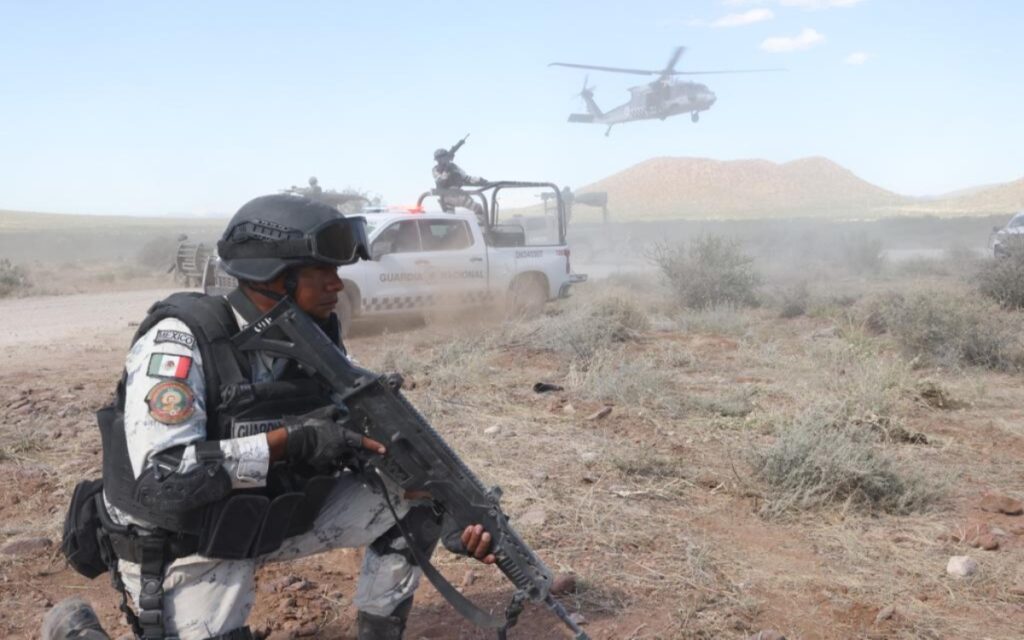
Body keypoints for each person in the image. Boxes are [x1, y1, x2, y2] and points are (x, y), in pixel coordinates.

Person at [44, 194, 495, 640]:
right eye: (322, 271)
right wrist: (291, 441)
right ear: (273, 276)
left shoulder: (315, 337)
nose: (336, 284)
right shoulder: (180, 341)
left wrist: (445, 504)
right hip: (186, 539)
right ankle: (75, 632)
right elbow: (163, 480)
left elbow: (358, 429)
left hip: (264, 514)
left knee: (420, 497)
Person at [431, 148, 487, 223]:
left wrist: (480, 180)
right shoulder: (436, 170)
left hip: (456, 194)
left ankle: (481, 227)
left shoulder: (453, 166)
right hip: (449, 196)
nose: (443, 160)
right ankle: (483, 227)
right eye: (441, 158)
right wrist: (447, 169)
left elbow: (466, 178)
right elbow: (441, 181)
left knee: (451, 220)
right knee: (477, 208)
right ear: (438, 160)